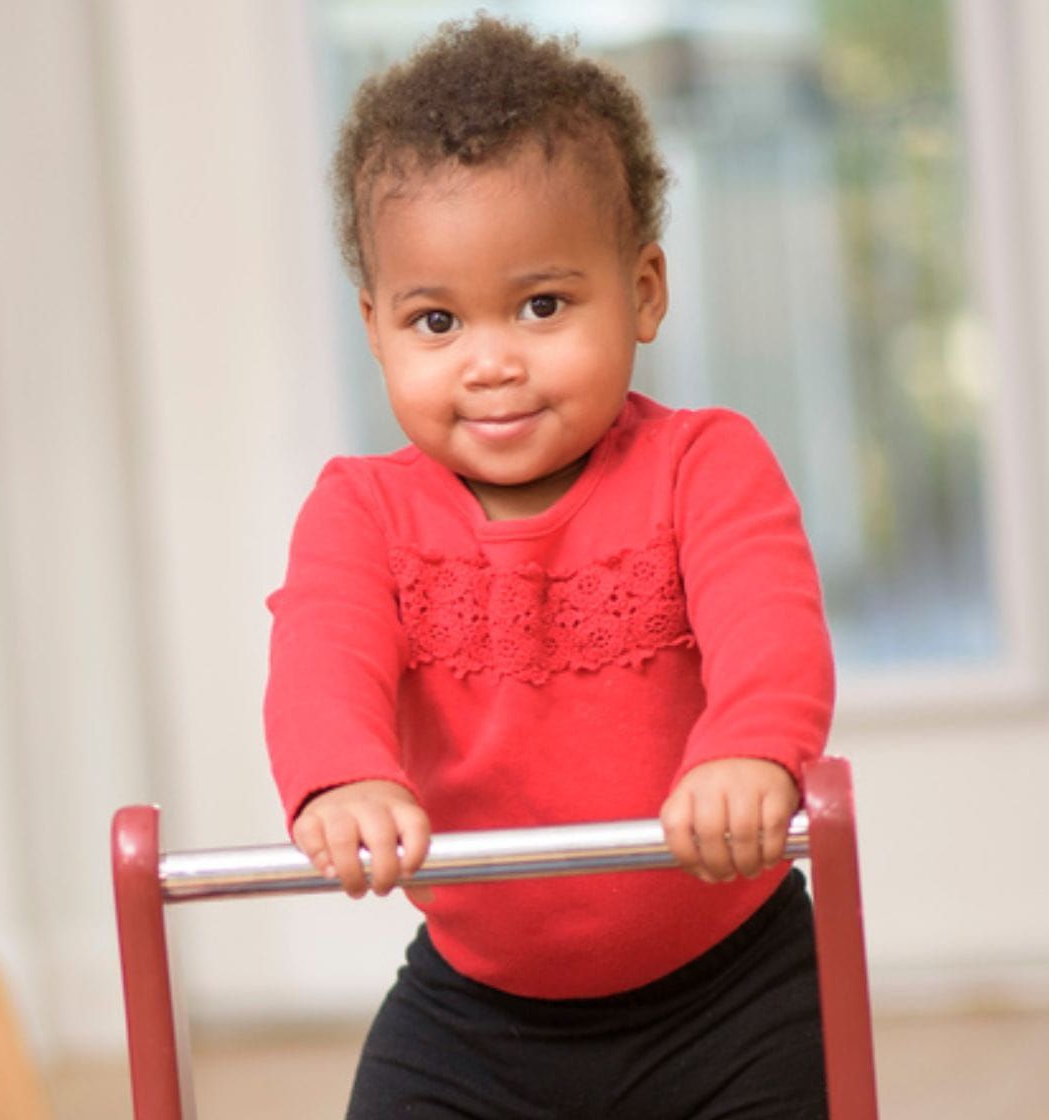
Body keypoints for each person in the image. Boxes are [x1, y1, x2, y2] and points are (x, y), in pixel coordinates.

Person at [263, 15, 835, 1119]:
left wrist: (749, 751)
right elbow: (320, 653)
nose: (491, 360)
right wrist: (347, 775)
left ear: (645, 290)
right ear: (377, 331)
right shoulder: (360, 511)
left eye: (543, 305)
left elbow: (770, 624)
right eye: (436, 320)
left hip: (733, 990)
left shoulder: (702, 465)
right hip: (477, 1010)